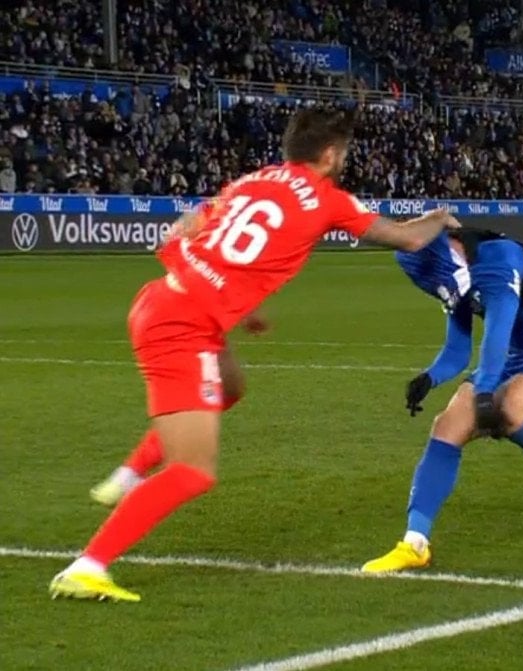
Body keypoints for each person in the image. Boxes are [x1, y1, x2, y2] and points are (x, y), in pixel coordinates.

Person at [50, 107, 461, 603]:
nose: (345, 160)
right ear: (330, 154)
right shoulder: (329, 199)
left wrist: (234, 302)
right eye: (344, 152)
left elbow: (184, 228)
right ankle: (89, 565)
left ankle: (129, 473)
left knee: (231, 387)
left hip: (167, 300)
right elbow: (410, 238)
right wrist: (439, 218)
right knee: (192, 471)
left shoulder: (254, 180)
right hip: (182, 326)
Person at [362, 227, 523, 573]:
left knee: (512, 407)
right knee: (448, 426)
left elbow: (497, 334)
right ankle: (415, 544)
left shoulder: (497, 262)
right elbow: (457, 350)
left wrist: (487, 391)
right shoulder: (455, 274)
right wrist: (430, 377)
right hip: (514, 358)